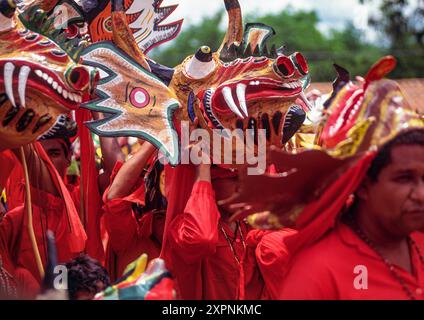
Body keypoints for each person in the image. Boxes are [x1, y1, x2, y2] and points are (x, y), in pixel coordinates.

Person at [279, 129, 424, 300]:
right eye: (404, 178)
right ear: (363, 185)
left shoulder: (417, 235)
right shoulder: (316, 273)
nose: (421, 195)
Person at [164, 160, 251, 300]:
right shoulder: (183, 228)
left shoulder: (250, 227)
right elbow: (202, 239)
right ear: (211, 181)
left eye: (246, 177)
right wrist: (202, 167)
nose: (243, 186)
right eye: (233, 178)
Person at [103, 142, 165, 281]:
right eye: (160, 216)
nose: (167, 225)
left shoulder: (189, 243)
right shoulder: (130, 241)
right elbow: (114, 198)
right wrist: (155, 138)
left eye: (172, 214)